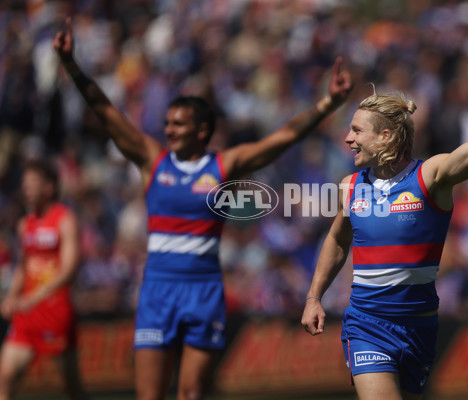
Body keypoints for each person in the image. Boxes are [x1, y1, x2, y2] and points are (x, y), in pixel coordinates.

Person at [53, 16, 353, 400]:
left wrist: (328, 102)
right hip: (157, 291)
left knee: (191, 393)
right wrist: (71, 65)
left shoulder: (221, 166)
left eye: (179, 124)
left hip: (203, 291)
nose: (170, 130)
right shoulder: (152, 162)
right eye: (167, 123)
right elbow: (105, 111)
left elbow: (282, 139)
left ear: (202, 131)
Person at [301, 53, 468, 400]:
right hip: (366, 323)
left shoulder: (429, 177)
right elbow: (338, 240)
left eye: (356, 131)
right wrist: (313, 297)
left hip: (419, 325)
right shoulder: (349, 186)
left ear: (385, 136)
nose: (347, 139)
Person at [0, 160, 87, 400]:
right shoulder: (24, 225)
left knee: (71, 387)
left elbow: (70, 268)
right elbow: (22, 267)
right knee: (4, 376)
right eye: (25, 184)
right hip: (26, 313)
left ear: (49, 187)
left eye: (33, 184)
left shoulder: (64, 219)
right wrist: (11, 296)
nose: (27, 189)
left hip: (55, 311)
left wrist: (36, 297)